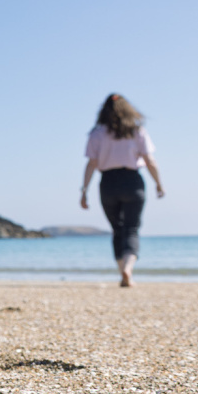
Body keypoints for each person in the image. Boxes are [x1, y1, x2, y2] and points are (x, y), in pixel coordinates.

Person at [80, 94, 164, 287]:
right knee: (132, 228)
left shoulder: (97, 133)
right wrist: (158, 183)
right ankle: (128, 269)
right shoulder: (137, 131)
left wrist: (84, 190)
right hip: (132, 181)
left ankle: (122, 272)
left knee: (117, 230)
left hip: (108, 183)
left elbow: (91, 164)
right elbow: (150, 161)